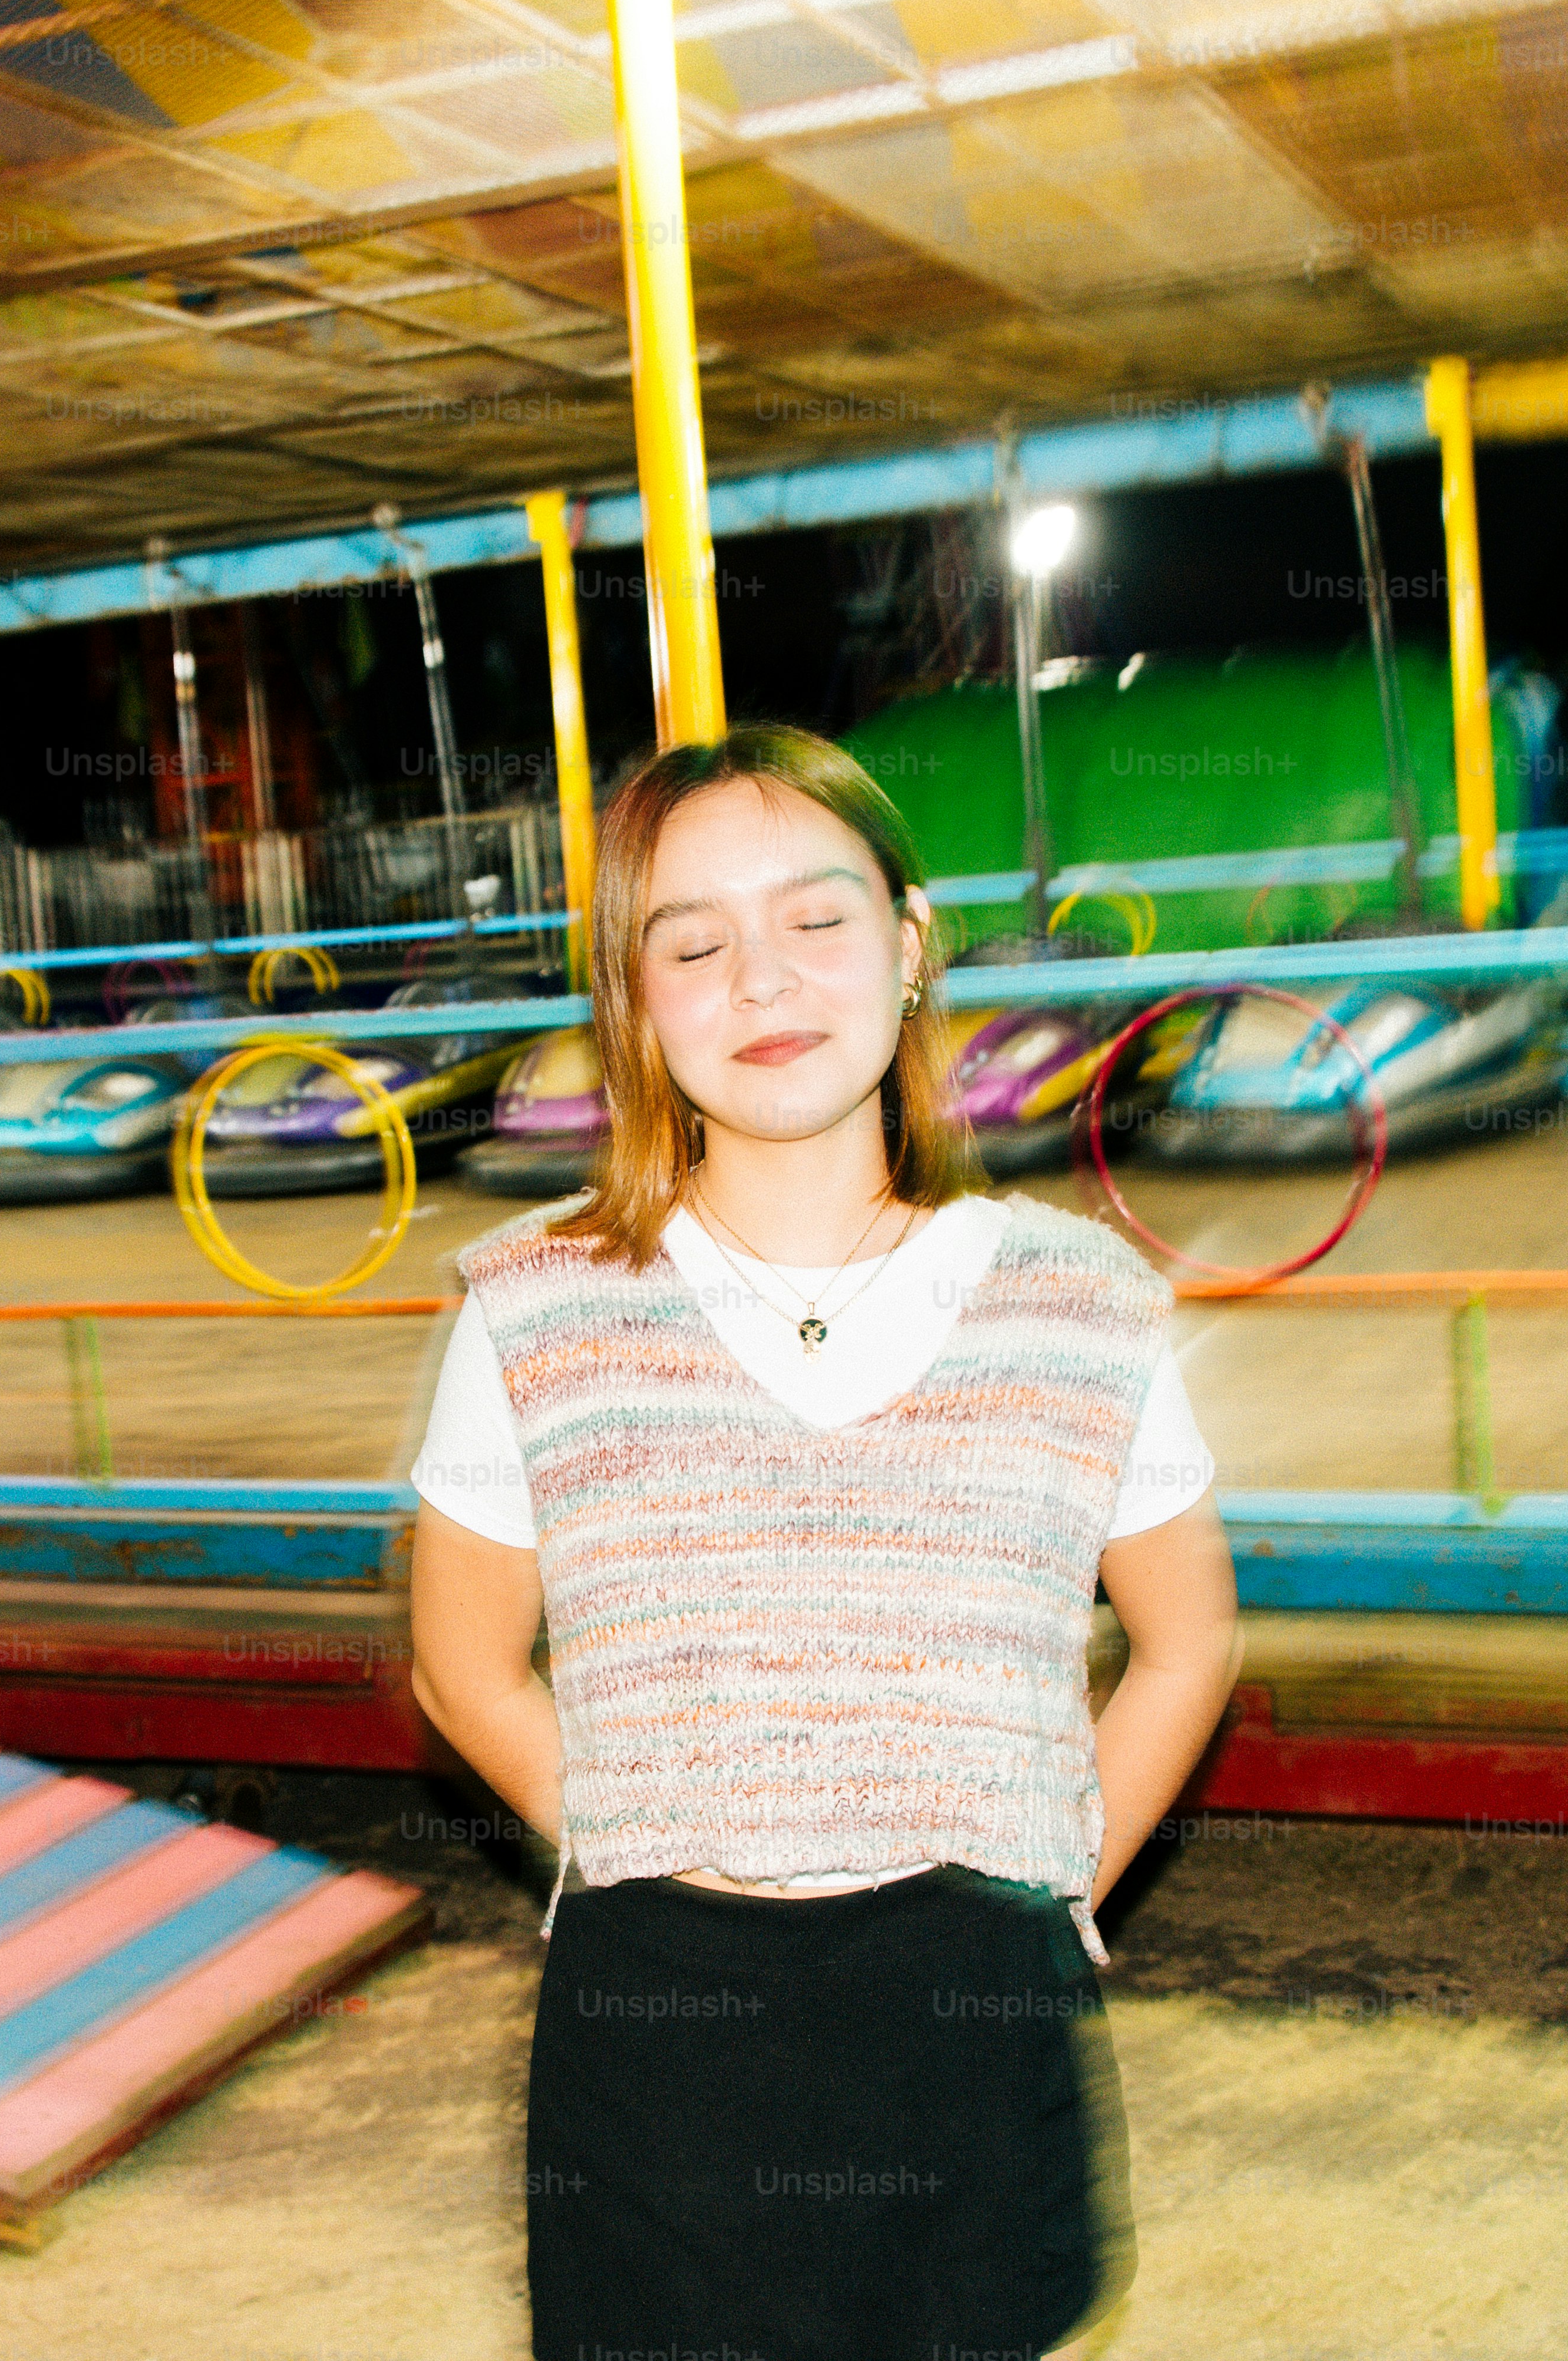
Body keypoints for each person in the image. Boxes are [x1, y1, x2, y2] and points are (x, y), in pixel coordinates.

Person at [408, 723, 1245, 2361]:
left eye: (816, 919)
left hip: (970, 2026)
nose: (761, 983)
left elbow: (1188, 1636)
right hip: (665, 2046)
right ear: (634, 1001)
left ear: (909, 943)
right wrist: (653, 1837)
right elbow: (461, 1664)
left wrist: (1057, 1887)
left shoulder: (1078, 1305)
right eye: (692, 944)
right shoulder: (542, 1308)